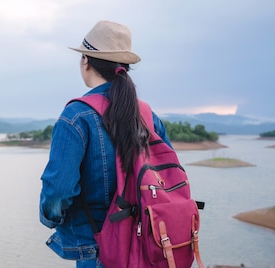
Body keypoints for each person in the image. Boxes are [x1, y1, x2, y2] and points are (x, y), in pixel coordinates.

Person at [39, 20, 173, 268]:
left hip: (98, 250)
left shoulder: (76, 116)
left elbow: (57, 192)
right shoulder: (148, 116)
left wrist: (50, 219)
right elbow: (169, 177)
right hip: (148, 246)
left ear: (85, 61)